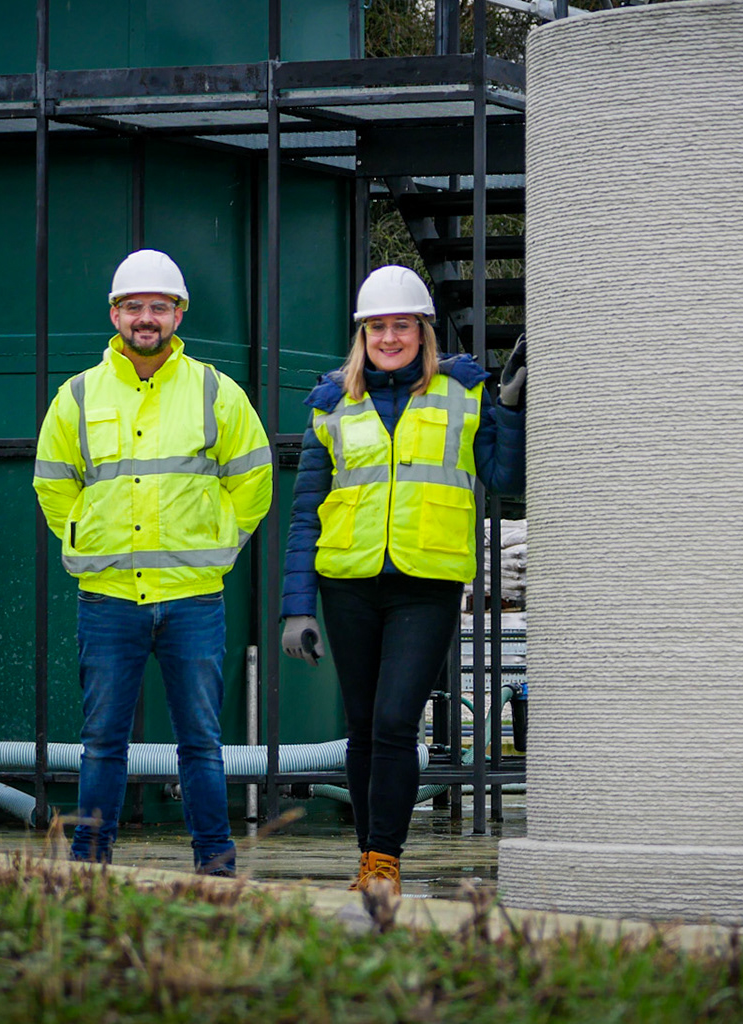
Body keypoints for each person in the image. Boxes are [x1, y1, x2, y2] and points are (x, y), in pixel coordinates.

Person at [279, 265, 526, 893]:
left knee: (394, 721)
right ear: (363, 334)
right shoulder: (331, 402)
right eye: (378, 327)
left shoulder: (464, 391)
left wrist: (512, 409)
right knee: (363, 726)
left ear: (423, 330)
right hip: (348, 583)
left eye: (402, 326)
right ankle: (370, 858)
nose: (390, 337)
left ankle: (385, 859)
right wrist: (296, 606)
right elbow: (307, 510)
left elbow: (506, 480)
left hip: (427, 580)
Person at [33, 248, 272, 873]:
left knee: (202, 742)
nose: (146, 318)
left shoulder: (215, 391)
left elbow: (255, 481)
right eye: (134, 306)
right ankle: (89, 862)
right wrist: (86, 538)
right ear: (114, 314)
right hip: (108, 598)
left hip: (194, 596)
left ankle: (215, 862)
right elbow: (54, 485)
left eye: (158, 307)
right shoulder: (77, 397)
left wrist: (220, 546)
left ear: (178, 313)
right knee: (102, 744)